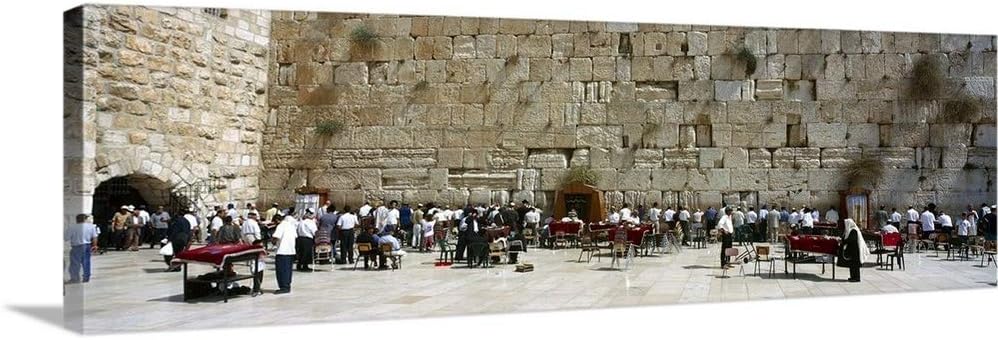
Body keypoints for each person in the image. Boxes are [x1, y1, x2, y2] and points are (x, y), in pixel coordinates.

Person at [65, 214, 99, 284]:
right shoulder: (91, 226)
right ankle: (86, 278)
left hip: (76, 246)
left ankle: (75, 278)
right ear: (85, 219)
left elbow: (66, 238)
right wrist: (95, 245)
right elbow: (95, 237)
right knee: (86, 262)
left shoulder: (72, 227)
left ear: (77, 219)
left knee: (75, 263)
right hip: (87, 245)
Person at [272, 213, 298, 294]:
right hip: (291, 251)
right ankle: (287, 285)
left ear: (277, 220)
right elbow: (295, 237)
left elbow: (276, 237)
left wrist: (273, 241)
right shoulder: (291, 226)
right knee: (288, 270)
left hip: (282, 251)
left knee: (281, 270)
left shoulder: (281, 226)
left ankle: (283, 287)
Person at [164, 208, 194, 272]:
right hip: (184, 239)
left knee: (171, 254)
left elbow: (175, 231)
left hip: (177, 238)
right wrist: (188, 240)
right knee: (179, 253)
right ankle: (178, 267)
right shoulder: (187, 221)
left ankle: (173, 266)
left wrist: (169, 239)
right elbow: (189, 230)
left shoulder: (177, 221)